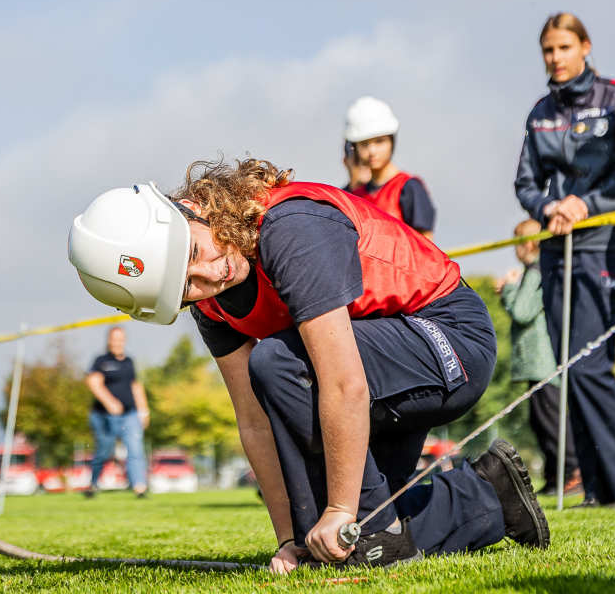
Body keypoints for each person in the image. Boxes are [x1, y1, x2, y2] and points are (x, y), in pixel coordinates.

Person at [68, 158, 548, 574]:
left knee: (278, 363)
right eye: (184, 287)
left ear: (190, 209)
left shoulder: (291, 229)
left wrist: (341, 509)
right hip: (375, 370)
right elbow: (253, 421)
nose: (210, 276)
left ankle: (377, 533)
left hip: (449, 342)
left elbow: (342, 381)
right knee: (343, 537)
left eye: (193, 254)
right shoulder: (212, 302)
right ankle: (489, 493)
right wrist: (291, 538)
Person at [513, 12, 615, 508]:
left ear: (585, 47)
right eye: (547, 51)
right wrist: (547, 207)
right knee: (569, 367)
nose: (555, 58)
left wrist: (588, 205)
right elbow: (526, 183)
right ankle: (601, 487)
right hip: (556, 250)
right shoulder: (539, 111)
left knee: (592, 365)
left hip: (602, 246)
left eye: (563, 48)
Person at [495, 219, 581, 496]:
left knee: (550, 419)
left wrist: (508, 289)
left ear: (528, 243)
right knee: (539, 419)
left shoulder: (535, 271)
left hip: (542, 360)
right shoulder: (537, 270)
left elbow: (522, 311)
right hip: (536, 363)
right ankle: (555, 476)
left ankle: (572, 473)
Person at [342, 97, 437, 240]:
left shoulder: (408, 188)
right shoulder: (353, 197)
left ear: (392, 141)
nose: (372, 151)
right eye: (364, 144)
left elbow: (427, 247)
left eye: (379, 141)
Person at [84, 326, 150, 498]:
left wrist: (144, 411)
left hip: (130, 414)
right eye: (114, 339)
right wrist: (110, 402)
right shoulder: (101, 361)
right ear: (109, 340)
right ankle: (93, 484)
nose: (117, 342)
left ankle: (139, 487)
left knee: (135, 450)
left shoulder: (129, 362)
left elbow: (136, 387)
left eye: (120, 339)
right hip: (104, 416)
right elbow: (93, 382)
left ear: (124, 340)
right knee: (104, 451)